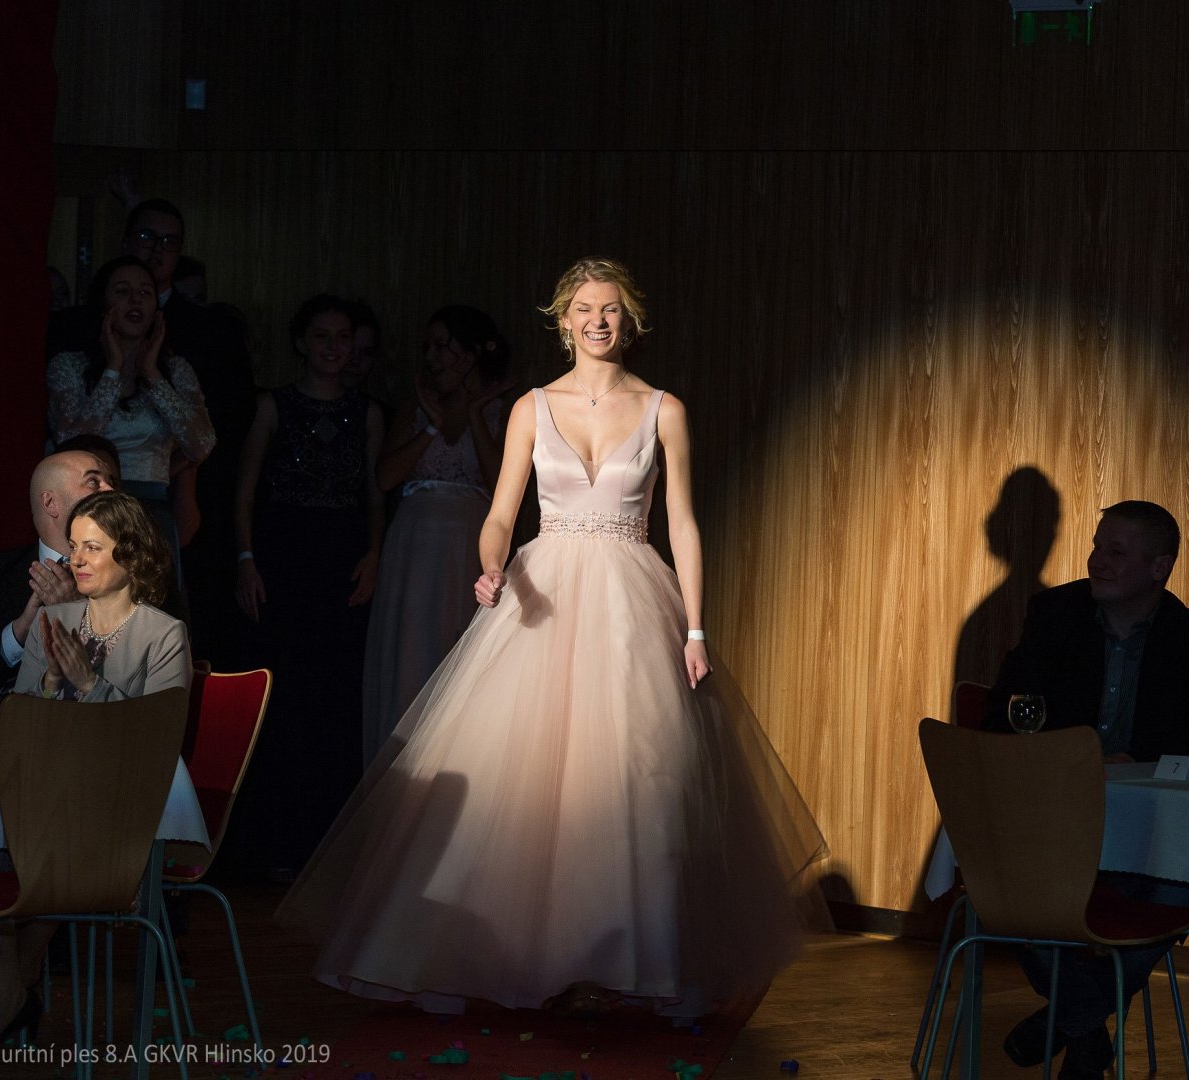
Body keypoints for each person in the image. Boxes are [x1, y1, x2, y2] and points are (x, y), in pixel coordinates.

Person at [276, 257, 824, 1018]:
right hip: (544, 591)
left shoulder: (664, 408)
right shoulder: (532, 407)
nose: (598, 320)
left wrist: (696, 628)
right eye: (584, 309)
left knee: (634, 777)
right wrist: (491, 567)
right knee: (520, 780)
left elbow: (684, 525)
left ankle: (629, 957)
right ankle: (506, 954)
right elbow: (501, 512)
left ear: (629, 321)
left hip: (632, 596)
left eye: (610, 309)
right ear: (563, 321)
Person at [982, 500, 1189, 1078]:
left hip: (1151, 831)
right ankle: (1083, 1025)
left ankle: (1068, 1021)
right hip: (1056, 826)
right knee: (1017, 888)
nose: (1097, 561)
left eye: (1116, 552)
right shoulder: (1054, 616)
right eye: (1097, 547)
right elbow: (1002, 715)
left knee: (1180, 885)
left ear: (1159, 567)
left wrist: (1144, 760)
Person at [0, 490, 190, 1063]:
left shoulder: (163, 634)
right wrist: (51, 685)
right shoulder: (53, 621)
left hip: (118, 815)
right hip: (49, 800)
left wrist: (89, 685)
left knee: (30, 841)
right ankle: (9, 985)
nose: (75, 559)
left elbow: (155, 739)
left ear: (131, 553)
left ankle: (7, 989)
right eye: (73, 546)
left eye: (92, 548)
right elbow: (24, 722)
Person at [232, 295, 384, 878]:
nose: (332, 347)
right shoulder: (273, 404)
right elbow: (245, 490)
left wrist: (374, 554)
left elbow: (374, 494)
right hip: (282, 558)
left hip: (341, 561)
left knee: (333, 699)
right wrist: (246, 559)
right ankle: (271, 847)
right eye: (321, 336)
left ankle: (324, 850)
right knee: (281, 695)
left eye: (342, 337)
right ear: (301, 342)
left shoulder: (367, 412)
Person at [361, 306, 512, 765]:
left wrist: (476, 413)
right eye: (428, 347)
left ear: (471, 353)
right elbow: (385, 477)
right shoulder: (415, 404)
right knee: (411, 650)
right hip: (414, 545)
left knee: (459, 650)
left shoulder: (503, 408)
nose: (431, 356)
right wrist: (432, 424)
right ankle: (399, 769)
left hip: (470, 543)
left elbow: (502, 484)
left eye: (442, 346)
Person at [46, 255, 217, 575]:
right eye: (122, 291)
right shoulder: (70, 366)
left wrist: (152, 375)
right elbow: (69, 441)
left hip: (153, 515)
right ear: (103, 304)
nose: (135, 300)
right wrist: (112, 370)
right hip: (91, 511)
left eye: (145, 292)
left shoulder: (175, 370)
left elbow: (202, 444)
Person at [0, 451, 116, 706]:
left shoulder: (137, 568)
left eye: (111, 481)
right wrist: (19, 632)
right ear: (50, 503)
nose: (110, 490)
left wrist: (76, 613)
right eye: (94, 481)